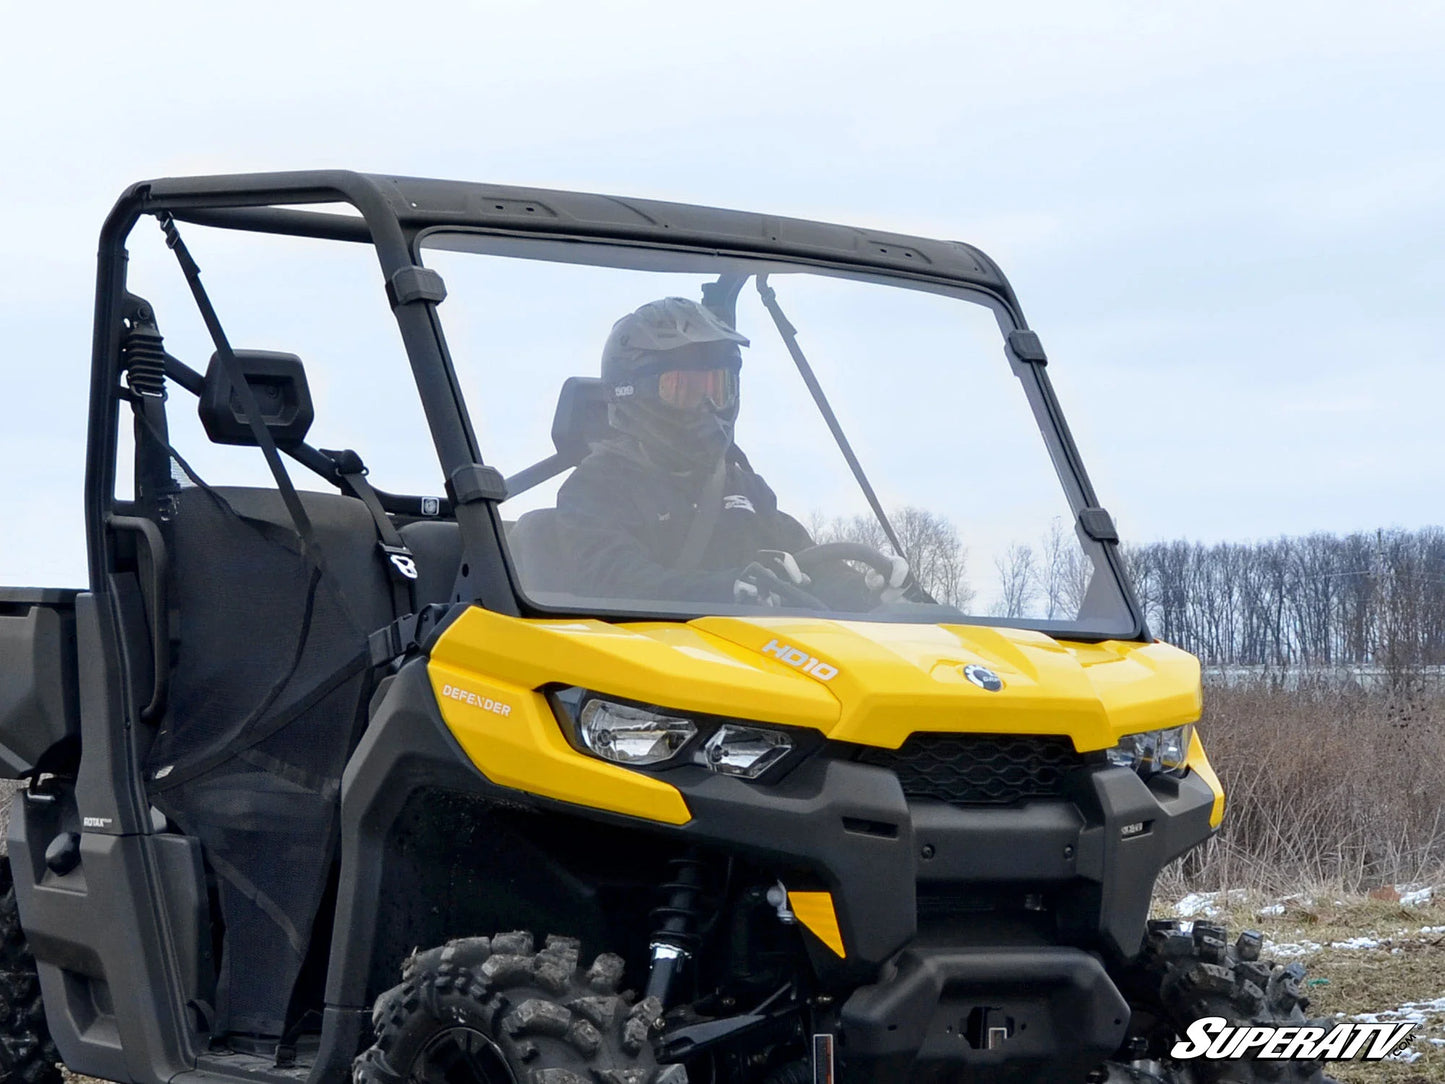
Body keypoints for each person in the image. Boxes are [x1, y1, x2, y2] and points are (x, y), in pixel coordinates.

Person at [547, 297, 908, 609]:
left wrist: (874, 596)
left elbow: (808, 564)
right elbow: (617, 585)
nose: (707, 405)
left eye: (718, 388)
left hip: (752, 670)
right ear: (631, 393)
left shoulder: (743, 487)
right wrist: (729, 590)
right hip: (643, 676)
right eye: (683, 389)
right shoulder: (594, 490)